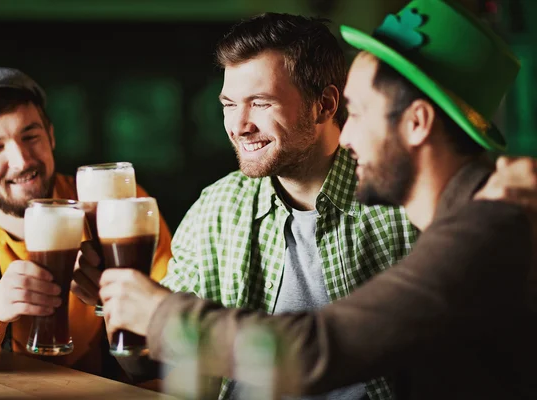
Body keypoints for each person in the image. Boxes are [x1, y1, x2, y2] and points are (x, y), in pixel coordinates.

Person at [99, 1, 537, 399]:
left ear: (417, 123)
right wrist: (123, 313)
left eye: (359, 112)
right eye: (229, 104)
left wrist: (160, 312)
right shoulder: (487, 211)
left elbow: (313, 350)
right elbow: (156, 365)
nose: (346, 135)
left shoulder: (480, 232)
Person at [79, 12, 417, 400]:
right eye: (228, 104)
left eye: (260, 103)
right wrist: (116, 305)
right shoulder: (218, 208)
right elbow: (153, 365)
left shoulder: (401, 206)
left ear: (324, 105)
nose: (238, 125)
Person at [0, 67, 173, 380]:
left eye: (30, 136)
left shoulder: (113, 203)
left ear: (51, 135)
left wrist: (124, 298)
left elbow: (176, 304)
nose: (21, 160)